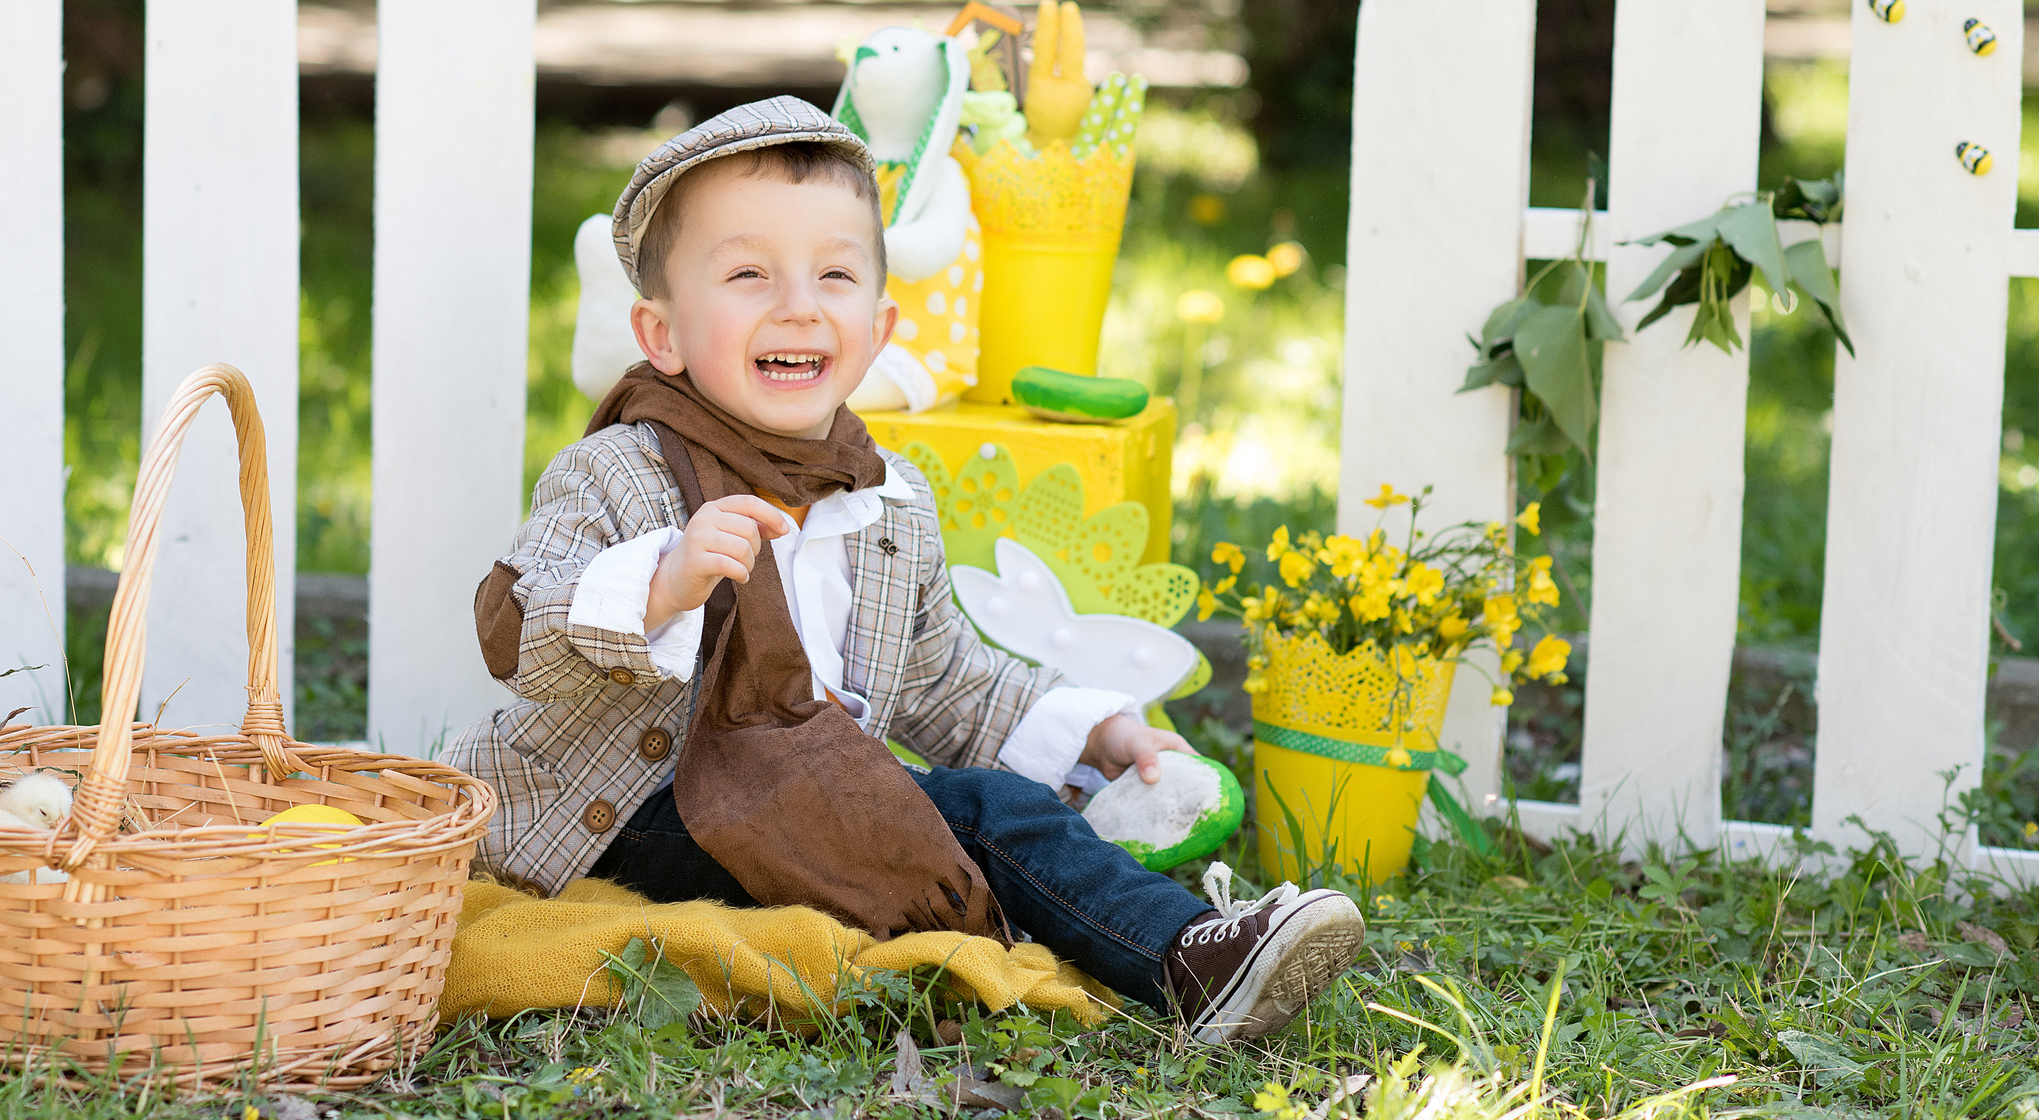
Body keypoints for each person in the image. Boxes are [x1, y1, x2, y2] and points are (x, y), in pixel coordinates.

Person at [448, 98, 1362, 1043]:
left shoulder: (886, 503)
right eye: (749, 272)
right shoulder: (619, 470)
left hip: (792, 804)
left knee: (943, 815)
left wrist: (1097, 730)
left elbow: (945, 682)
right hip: (638, 809)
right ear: (662, 334)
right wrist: (662, 582)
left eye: (833, 274)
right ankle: (1187, 962)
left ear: (878, 329)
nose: (797, 302)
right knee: (985, 817)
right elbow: (516, 629)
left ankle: (1181, 943)